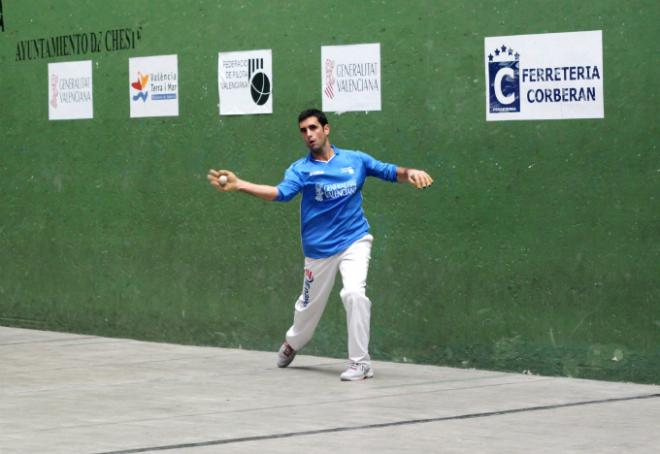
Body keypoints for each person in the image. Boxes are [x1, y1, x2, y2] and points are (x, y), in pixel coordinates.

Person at [207, 108, 433, 381]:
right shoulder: (301, 170)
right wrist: (240, 184)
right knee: (307, 310)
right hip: (319, 251)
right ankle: (292, 343)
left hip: (355, 240)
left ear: (326, 129)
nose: (309, 134)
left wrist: (411, 173)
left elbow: (388, 171)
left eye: (313, 128)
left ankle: (360, 363)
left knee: (354, 294)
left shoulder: (355, 160)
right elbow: (280, 193)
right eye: (303, 131)